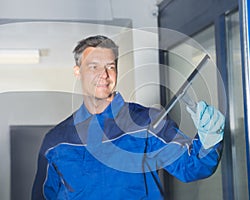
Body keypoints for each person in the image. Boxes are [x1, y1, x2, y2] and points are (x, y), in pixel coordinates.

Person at [31, 35, 225, 199]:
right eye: (93, 67)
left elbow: (192, 167)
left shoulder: (147, 122)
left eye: (110, 66)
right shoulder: (56, 141)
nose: (104, 75)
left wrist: (209, 138)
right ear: (77, 72)